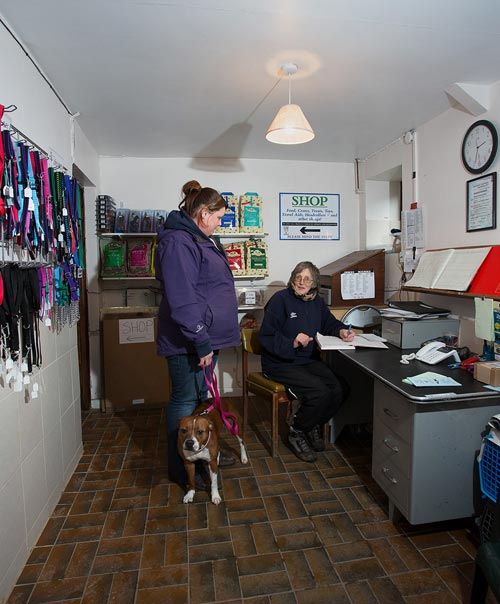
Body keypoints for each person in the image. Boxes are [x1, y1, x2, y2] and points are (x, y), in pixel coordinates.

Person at [155, 180, 241, 486]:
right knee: (184, 401)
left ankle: (202, 455)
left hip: (203, 339)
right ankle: (182, 469)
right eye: (218, 217)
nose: (220, 222)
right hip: (189, 342)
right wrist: (202, 340)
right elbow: (182, 298)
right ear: (203, 212)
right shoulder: (179, 242)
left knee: (197, 401)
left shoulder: (199, 238)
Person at [259, 261, 354, 462]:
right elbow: (266, 336)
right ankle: (297, 430)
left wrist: (341, 330)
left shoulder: (317, 302)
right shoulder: (280, 300)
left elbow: (329, 323)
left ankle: (311, 425)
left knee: (340, 388)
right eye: (298, 277)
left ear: (314, 283)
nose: (301, 282)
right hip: (279, 362)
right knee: (319, 391)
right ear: (292, 279)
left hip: (307, 360)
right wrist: (292, 342)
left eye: (307, 279)